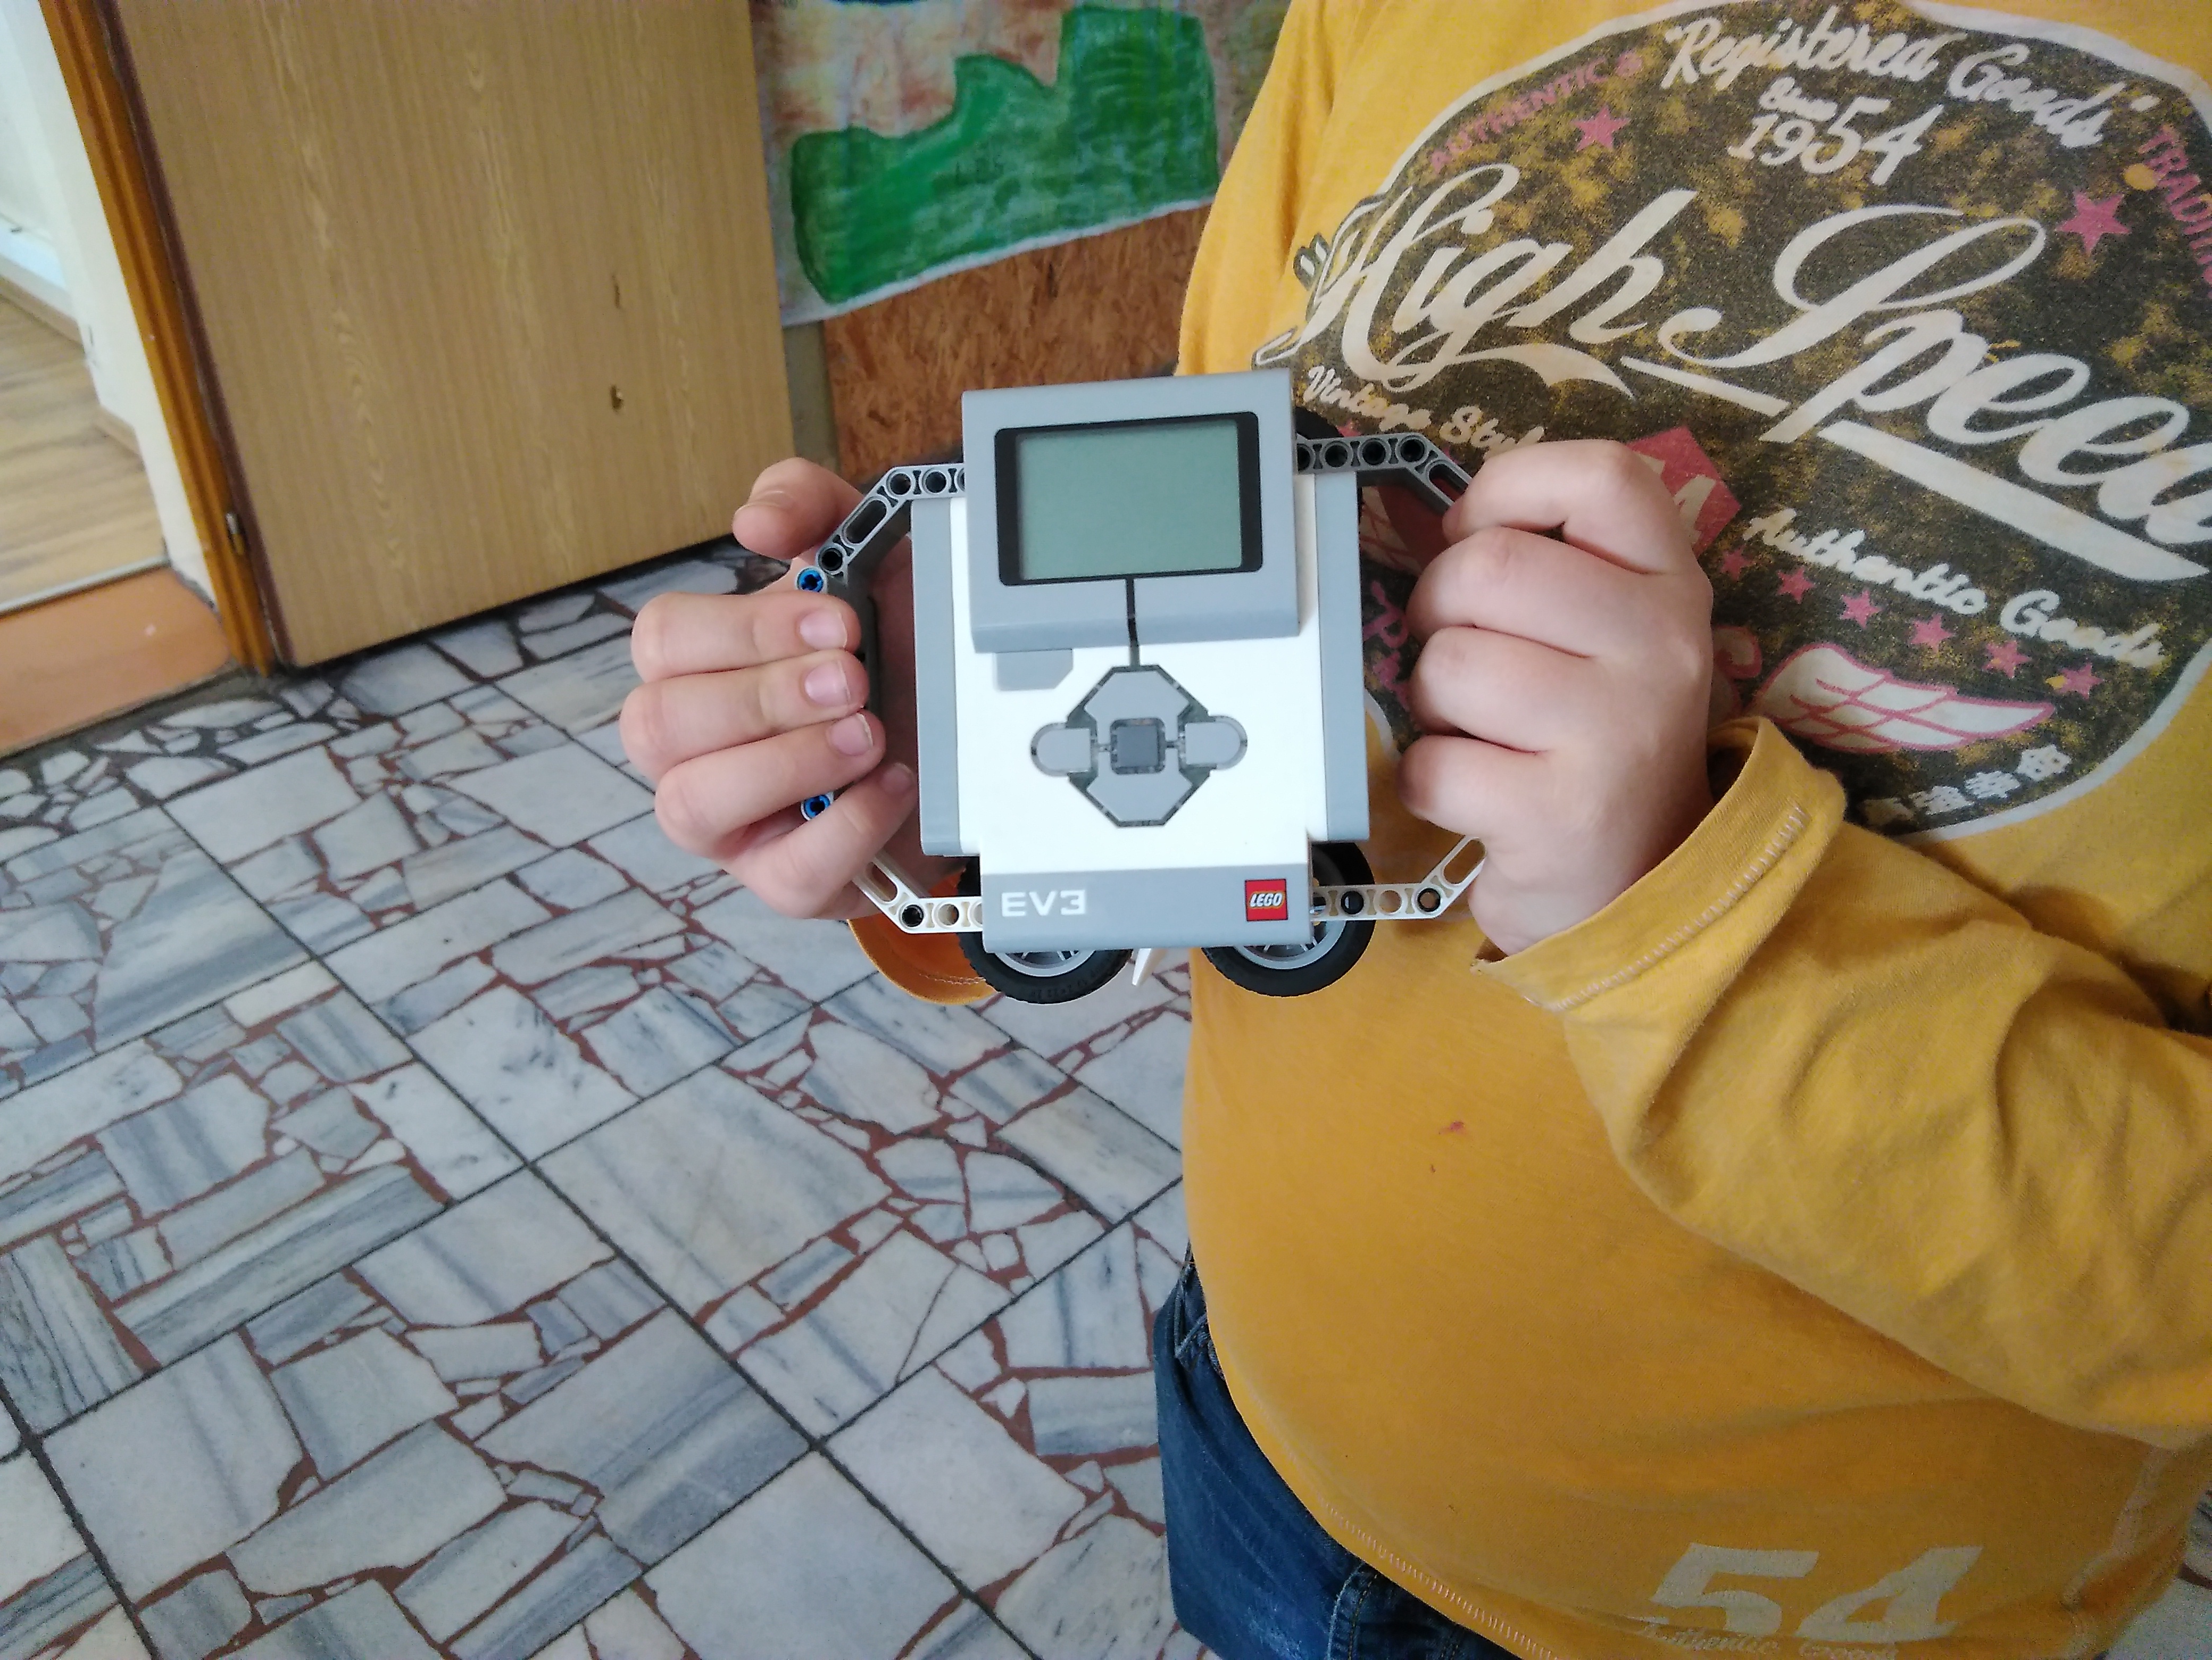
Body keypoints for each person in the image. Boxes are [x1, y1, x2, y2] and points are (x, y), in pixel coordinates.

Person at [621, 2, 2212, 1654]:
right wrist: (932, 775)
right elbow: (1222, 550)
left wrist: (1693, 923)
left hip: (1806, 1611)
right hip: (1269, 1417)